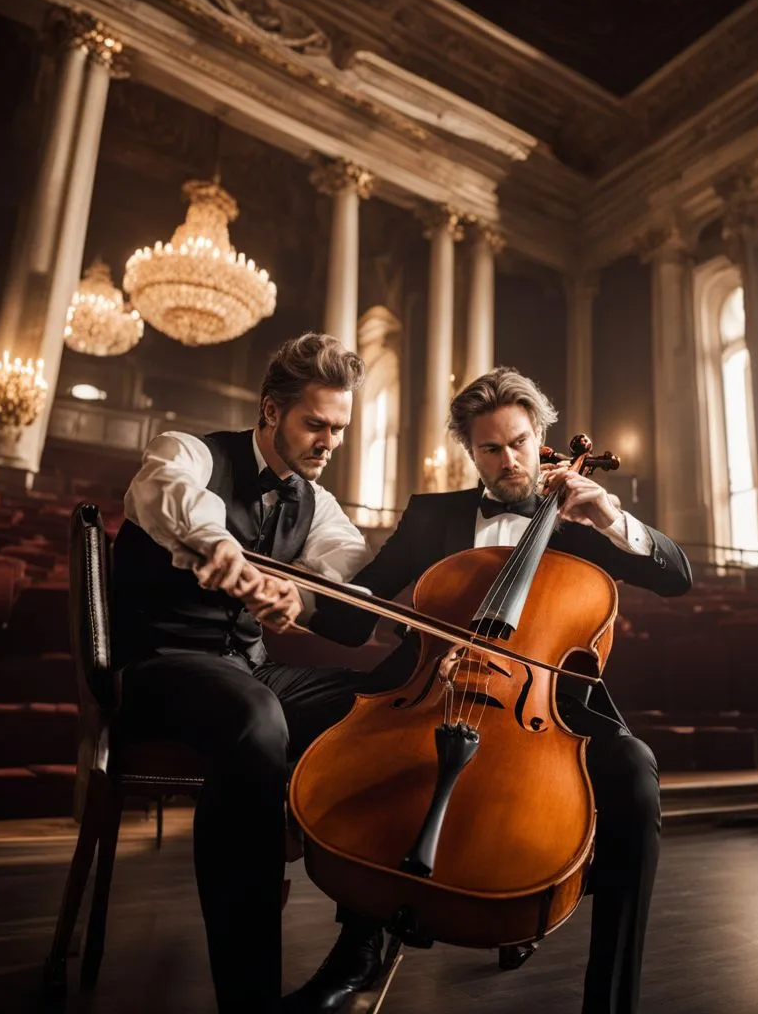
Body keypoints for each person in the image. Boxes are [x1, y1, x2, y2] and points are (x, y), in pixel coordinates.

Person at [297, 366, 693, 1014]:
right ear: (469, 452)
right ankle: (356, 953)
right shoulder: (433, 516)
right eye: (490, 448)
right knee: (371, 749)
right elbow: (355, 614)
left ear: (540, 436)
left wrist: (614, 519)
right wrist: (292, 599)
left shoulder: (584, 515)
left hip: (549, 707)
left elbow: (678, 576)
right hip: (433, 684)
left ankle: (610, 999)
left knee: (636, 775)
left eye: (517, 442)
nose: (508, 460)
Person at [111, 332, 381, 1014]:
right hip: (161, 668)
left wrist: (302, 596)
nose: (329, 442)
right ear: (271, 410)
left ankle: (363, 940)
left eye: (340, 429)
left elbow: (345, 558)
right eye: (316, 424)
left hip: (248, 671)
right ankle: (248, 999)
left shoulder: (314, 501)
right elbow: (164, 489)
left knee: (384, 705)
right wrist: (219, 545)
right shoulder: (193, 451)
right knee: (255, 718)